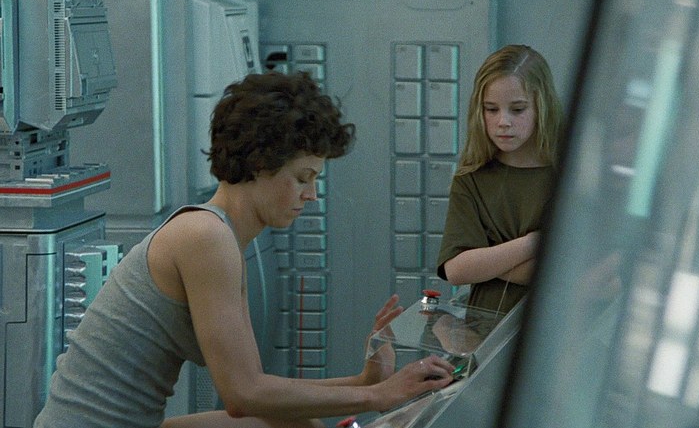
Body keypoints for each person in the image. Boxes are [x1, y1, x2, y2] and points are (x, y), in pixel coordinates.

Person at [35, 71, 453, 428]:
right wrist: (377, 396)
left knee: (294, 423)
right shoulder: (206, 237)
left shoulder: (224, 237)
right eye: (302, 178)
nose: (311, 195)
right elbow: (244, 394)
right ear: (260, 163)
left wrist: (366, 383)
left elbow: (256, 390)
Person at [436, 45, 564, 314]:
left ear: (542, 107)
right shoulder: (471, 178)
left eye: (517, 109)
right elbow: (456, 269)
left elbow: (579, 275)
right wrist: (533, 243)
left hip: (553, 325)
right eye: (491, 109)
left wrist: (489, 261)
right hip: (485, 328)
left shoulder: (569, 177)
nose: (503, 121)